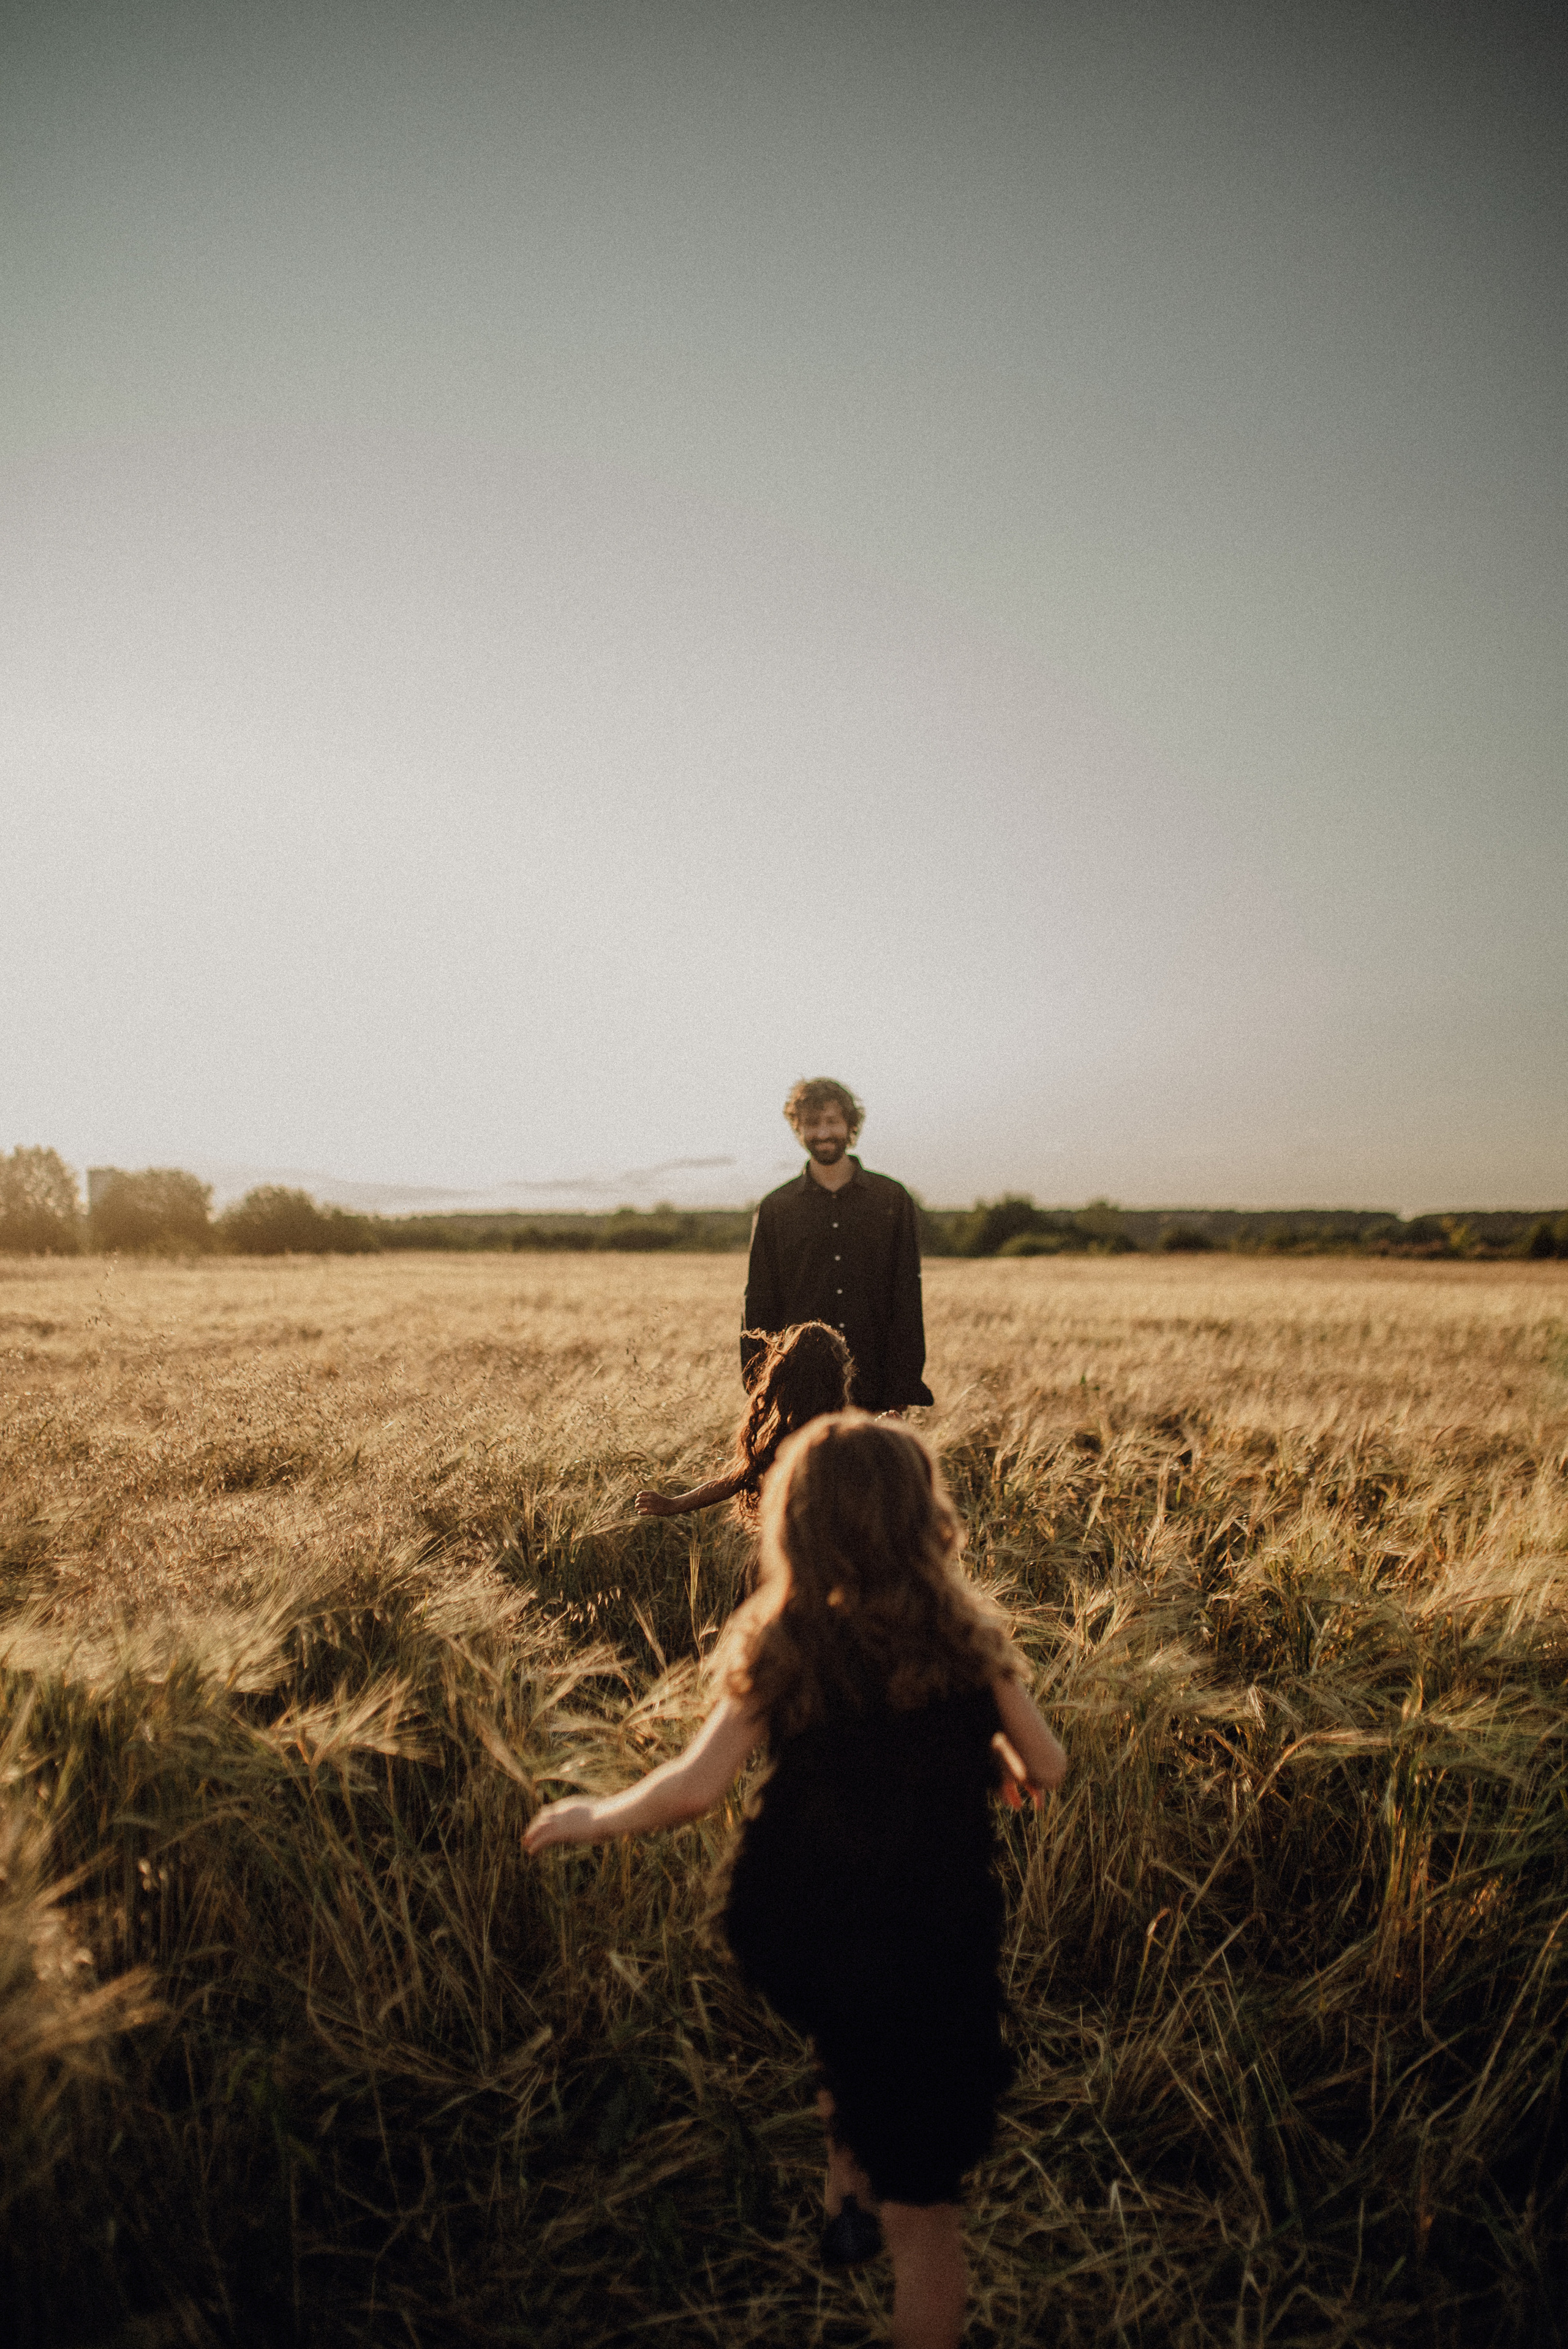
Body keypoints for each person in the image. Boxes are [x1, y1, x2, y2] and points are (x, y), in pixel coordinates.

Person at [526, 1412, 1067, 2349]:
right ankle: (872, 2187)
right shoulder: (964, 1636)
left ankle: (840, 2178)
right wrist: (978, 1748)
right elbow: (1048, 1766)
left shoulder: (785, 1634)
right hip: (935, 1943)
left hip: (801, 1923)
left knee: (849, 2021)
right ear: (922, 1517)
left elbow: (696, 1789)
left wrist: (594, 1816)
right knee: (926, 2222)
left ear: (796, 1522)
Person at [742, 1078, 933, 1415]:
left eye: (832, 1121)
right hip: (798, 1384)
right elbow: (759, 1301)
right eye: (812, 1124)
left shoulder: (891, 1199)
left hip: (875, 1381)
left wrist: (902, 1387)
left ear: (850, 1125)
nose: (823, 1133)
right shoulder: (776, 1207)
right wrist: (760, 1385)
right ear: (798, 1129)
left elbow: (906, 1295)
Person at [633, 1320, 853, 1522]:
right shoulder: (853, 1437)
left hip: (788, 1544)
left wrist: (673, 1504)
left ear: (786, 1379)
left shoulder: (781, 1436)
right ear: (838, 1380)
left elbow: (730, 1482)